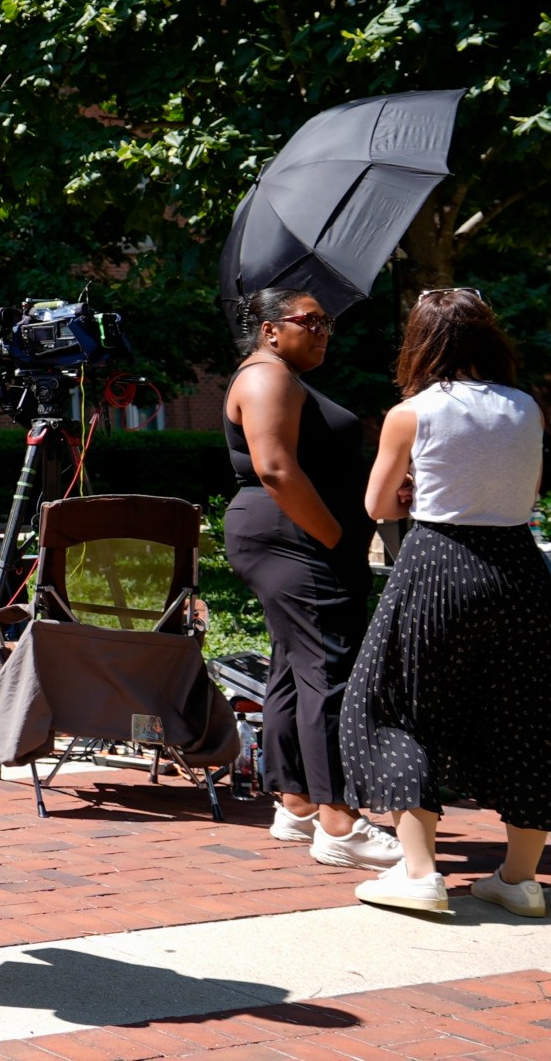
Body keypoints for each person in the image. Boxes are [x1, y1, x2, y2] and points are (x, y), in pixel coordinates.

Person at [343, 289, 549, 917]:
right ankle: (519, 879)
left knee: (393, 706)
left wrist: (411, 488)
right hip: (520, 568)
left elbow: (378, 505)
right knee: (524, 713)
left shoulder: (412, 412)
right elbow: (523, 487)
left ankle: (421, 872)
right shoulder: (528, 408)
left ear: (421, 343)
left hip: (439, 564)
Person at [222, 289, 399, 870]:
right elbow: (275, 468)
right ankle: (339, 824)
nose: (324, 331)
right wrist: (335, 536)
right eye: (311, 321)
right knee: (329, 669)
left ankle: (296, 804)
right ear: (271, 329)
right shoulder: (267, 376)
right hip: (294, 536)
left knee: (296, 670)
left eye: (327, 322)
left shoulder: (281, 375)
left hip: (287, 534)